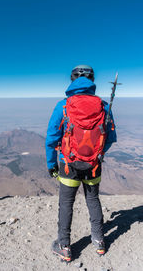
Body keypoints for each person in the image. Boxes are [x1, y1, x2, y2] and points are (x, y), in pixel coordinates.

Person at [45, 65, 117, 262]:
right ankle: (99, 242)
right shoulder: (103, 106)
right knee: (93, 200)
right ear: (92, 81)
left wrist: (52, 164)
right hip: (94, 165)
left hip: (68, 164)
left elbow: (51, 138)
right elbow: (110, 138)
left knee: (66, 204)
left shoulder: (64, 106)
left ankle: (64, 246)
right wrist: (96, 155)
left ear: (72, 81)